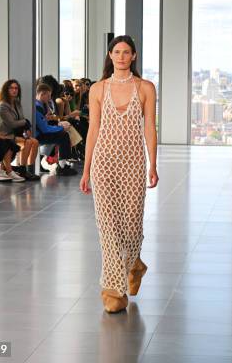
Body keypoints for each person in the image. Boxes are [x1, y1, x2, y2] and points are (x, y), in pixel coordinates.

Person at [80, 35, 159, 313]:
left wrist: (153, 164)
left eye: (127, 52)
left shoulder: (146, 88)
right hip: (104, 164)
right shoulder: (99, 89)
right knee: (107, 226)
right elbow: (93, 129)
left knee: (132, 225)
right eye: (117, 52)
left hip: (134, 163)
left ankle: (134, 263)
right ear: (110, 55)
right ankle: (114, 289)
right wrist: (86, 168)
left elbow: (150, 126)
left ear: (134, 56)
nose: (122, 56)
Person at [0, 79, 40, 179]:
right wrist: (25, 122)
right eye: (11, 88)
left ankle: (29, 170)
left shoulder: (17, 103)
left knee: (35, 142)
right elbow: (12, 124)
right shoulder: (3, 106)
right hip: (6, 134)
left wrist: (27, 127)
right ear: (6, 90)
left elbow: (21, 119)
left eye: (16, 88)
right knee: (28, 142)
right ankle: (22, 170)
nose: (14, 90)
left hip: (16, 134)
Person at [34, 84, 78, 176]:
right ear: (42, 94)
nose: (50, 98)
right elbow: (45, 129)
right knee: (63, 135)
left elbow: (44, 123)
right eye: (48, 96)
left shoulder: (41, 105)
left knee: (64, 133)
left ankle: (63, 162)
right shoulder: (37, 107)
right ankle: (62, 165)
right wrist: (61, 127)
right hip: (38, 135)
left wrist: (56, 124)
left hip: (40, 132)